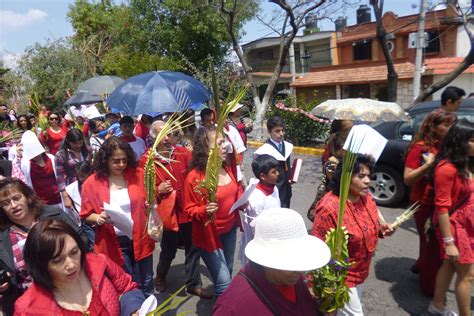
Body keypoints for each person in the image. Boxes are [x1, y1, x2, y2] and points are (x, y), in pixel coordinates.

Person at [312, 155, 395, 316]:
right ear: (346, 177)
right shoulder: (330, 207)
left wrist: (381, 230)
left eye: (369, 176)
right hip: (342, 278)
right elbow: (319, 248)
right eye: (361, 176)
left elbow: (370, 226)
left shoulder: (366, 198)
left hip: (362, 272)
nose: (367, 181)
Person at [139, 120, 210, 298]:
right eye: (161, 135)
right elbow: (141, 190)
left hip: (187, 210)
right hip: (168, 212)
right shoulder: (147, 160)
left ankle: (194, 284)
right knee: (169, 249)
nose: (167, 138)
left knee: (193, 247)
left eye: (169, 134)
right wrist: (156, 189)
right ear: (153, 138)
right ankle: (161, 275)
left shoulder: (182, 152)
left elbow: (196, 174)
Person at [214, 207, 330, 315]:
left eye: (300, 258)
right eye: (291, 262)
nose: (300, 271)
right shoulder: (232, 308)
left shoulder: (290, 277)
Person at [15, 219, 145, 315]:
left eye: (74, 252)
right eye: (57, 260)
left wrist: (133, 309)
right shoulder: (27, 309)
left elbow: (127, 288)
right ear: (40, 264)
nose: (71, 265)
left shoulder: (99, 263)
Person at [80, 137, 155, 297]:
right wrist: (98, 218)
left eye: (124, 160)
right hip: (114, 243)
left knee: (147, 282)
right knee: (128, 285)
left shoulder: (138, 174)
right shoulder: (91, 183)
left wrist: (150, 205)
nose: (121, 165)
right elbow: (86, 215)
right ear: (105, 160)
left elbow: (151, 198)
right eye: (116, 161)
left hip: (141, 237)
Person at [0, 178, 82, 316]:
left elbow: (82, 241)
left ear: (27, 196)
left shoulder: (54, 215)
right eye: (6, 203)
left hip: (71, 294)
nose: (13, 205)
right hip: (34, 306)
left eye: (16, 198)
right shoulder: (3, 237)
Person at [183, 126, 242, 296]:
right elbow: (189, 209)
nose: (225, 146)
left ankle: (223, 304)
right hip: (209, 235)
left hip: (229, 230)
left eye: (224, 142)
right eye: (220, 143)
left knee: (227, 271)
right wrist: (204, 210)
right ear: (205, 148)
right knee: (224, 281)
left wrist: (243, 199)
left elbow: (233, 191)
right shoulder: (194, 176)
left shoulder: (227, 167)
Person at [403, 109, 456, 296]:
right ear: (433, 127)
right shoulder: (420, 147)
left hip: (444, 203)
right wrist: (427, 165)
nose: (450, 128)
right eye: (446, 125)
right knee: (431, 247)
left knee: (433, 246)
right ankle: (429, 289)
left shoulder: (448, 146)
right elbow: (407, 178)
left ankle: (422, 265)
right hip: (424, 204)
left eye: (452, 124)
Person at [428, 119, 474, 316]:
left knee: (449, 266)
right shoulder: (447, 169)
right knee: (468, 275)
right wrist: (449, 242)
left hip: (466, 224)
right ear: (460, 141)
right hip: (454, 227)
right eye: (473, 140)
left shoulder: (465, 163)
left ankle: (436, 306)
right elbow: (442, 208)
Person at [239, 154, 280, 265]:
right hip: (260, 241)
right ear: (262, 176)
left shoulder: (274, 187)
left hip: (273, 237)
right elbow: (256, 228)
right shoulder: (256, 197)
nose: (278, 174)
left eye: (277, 170)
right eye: (274, 172)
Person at [307, 130, 348, 222]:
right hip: (331, 199)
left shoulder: (342, 161)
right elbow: (337, 181)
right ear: (342, 147)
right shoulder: (332, 163)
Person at [254, 116, 293, 208]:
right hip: (272, 191)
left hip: (286, 189)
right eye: (277, 131)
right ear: (269, 132)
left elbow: (287, 165)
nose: (281, 134)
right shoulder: (264, 150)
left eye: (283, 130)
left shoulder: (287, 146)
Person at [55, 129, 92, 213]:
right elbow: (59, 177)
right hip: (73, 186)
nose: (78, 145)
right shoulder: (61, 155)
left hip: (89, 184)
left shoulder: (88, 150)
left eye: (80, 142)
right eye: (74, 143)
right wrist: (65, 196)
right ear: (68, 141)